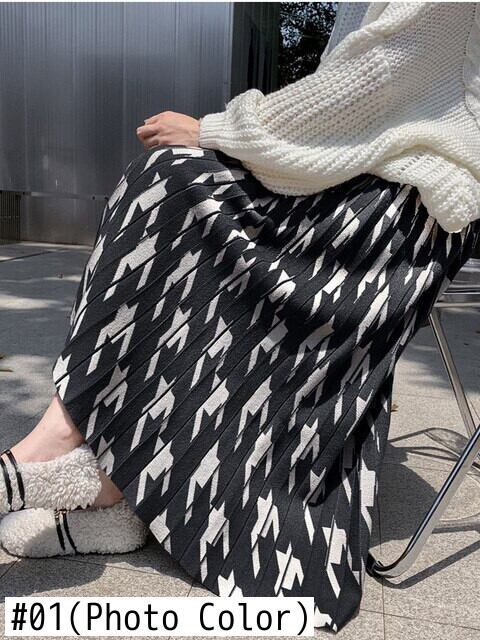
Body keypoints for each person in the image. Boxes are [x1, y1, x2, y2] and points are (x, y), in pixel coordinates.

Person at [1, 2, 479, 632]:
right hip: (358, 180)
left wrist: (218, 130)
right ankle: (112, 480)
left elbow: (372, 82)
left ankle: (65, 452)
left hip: (397, 216)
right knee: (171, 194)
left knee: (168, 182)